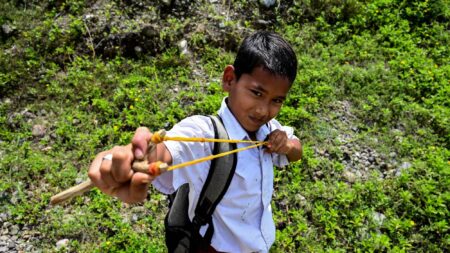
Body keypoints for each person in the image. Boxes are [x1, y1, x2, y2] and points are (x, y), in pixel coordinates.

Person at [88, 31, 302, 253]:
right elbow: (167, 151)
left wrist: (287, 145)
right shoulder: (205, 134)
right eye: (257, 93)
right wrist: (124, 159)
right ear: (230, 79)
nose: (263, 110)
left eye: (276, 100)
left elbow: (296, 151)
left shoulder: (268, 129)